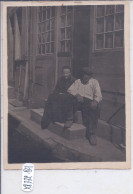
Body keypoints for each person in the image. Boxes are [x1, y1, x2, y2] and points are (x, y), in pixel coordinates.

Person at [67, 67, 102, 145]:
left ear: (90, 76)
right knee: (70, 99)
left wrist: (95, 101)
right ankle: (69, 119)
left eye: (87, 75)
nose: (85, 77)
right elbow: (70, 90)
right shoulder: (78, 81)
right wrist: (77, 95)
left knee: (95, 108)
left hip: (89, 102)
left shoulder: (94, 82)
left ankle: (91, 134)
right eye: (84, 75)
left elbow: (98, 94)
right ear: (81, 75)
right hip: (79, 100)